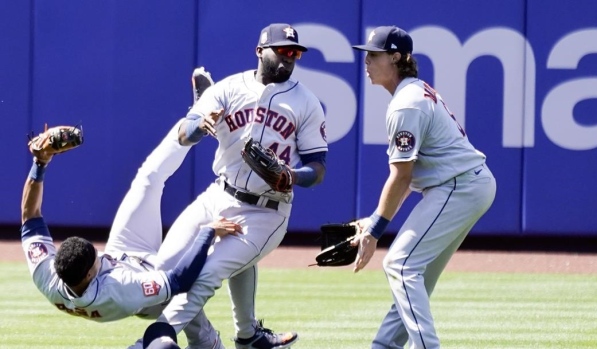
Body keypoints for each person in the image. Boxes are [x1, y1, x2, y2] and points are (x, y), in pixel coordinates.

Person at [145, 23, 328, 349]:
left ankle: (150, 343)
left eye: (296, 53)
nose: (290, 58)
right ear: (260, 51)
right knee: (159, 278)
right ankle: (237, 337)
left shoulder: (307, 102)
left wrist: (293, 176)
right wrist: (199, 126)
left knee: (204, 277)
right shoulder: (228, 89)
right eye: (283, 50)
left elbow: (318, 168)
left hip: (266, 212)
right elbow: (185, 133)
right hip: (219, 195)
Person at [21, 96, 240, 347]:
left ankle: (194, 124)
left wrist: (40, 163)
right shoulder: (118, 289)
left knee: (148, 177)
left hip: (126, 253)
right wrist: (208, 233)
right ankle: (214, 340)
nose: (98, 253)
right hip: (150, 292)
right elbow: (179, 280)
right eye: (96, 257)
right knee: (208, 259)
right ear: (91, 273)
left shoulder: (48, 277)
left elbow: (30, 217)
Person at [350, 26, 497, 348]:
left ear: (397, 57)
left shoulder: (407, 104)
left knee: (400, 264)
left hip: (458, 187)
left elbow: (401, 177)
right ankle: (385, 344)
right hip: (464, 185)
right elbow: (407, 177)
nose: (367, 61)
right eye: (367, 55)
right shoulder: (413, 92)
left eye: (375, 55)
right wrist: (376, 220)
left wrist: (374, 231)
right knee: (417, 272)